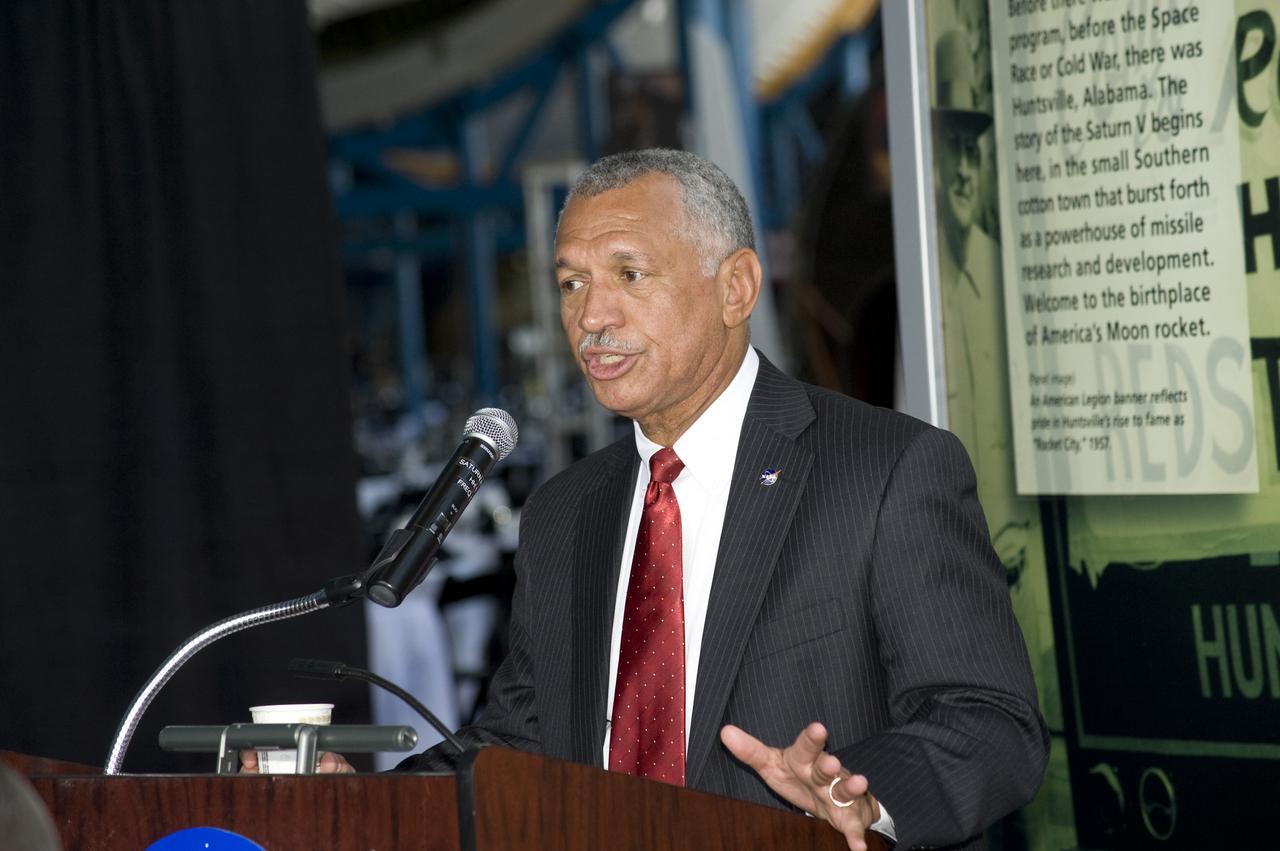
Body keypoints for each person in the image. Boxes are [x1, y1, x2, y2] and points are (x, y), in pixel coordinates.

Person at [249, 149, 1048, 850]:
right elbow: (515, 745)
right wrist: (356, 798)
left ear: (735, 286)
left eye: (629, 274)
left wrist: (865, 794)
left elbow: (987, 719)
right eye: (571, 283)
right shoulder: (566, 512)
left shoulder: (886, 469)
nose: (591, 316)